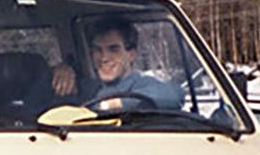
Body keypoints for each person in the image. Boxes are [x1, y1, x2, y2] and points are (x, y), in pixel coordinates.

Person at [53, 16, 184, 113]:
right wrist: (61, 71)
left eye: (113, 49)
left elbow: (175, 95)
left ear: (131, 55)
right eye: (97, 50)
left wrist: (118, 103)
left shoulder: (140, 84)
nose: (104, 58)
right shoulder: (87, 87)